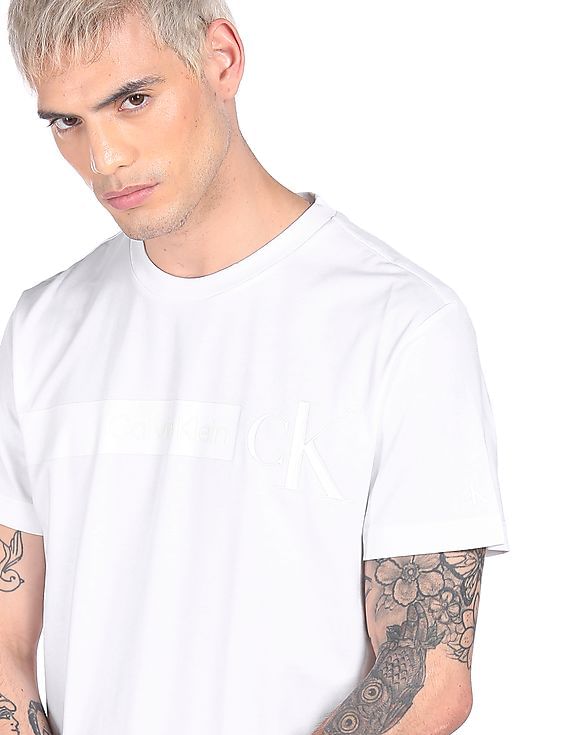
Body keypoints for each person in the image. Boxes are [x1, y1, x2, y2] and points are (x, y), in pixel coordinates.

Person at [0, 2, 510, 734]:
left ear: (222, 59)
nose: (102, 157)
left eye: (132, 100)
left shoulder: (401, 324)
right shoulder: (42, 328)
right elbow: (6, 641)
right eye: (66, 122)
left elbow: (426, 677)